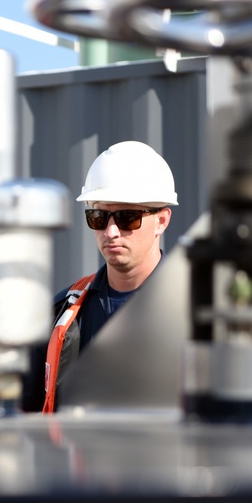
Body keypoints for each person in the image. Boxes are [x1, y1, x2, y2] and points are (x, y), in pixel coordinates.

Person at [34, 140, 178, 413]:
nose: (111, 232)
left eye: (127, 218)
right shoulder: (63, 314)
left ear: (162, 220)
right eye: (99, 217)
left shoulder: (196, 311)